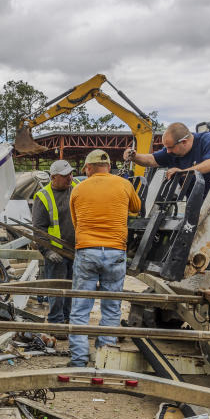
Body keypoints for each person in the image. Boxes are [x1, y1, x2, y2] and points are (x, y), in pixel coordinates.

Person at [68, 150, 141, 366]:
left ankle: (79, 360)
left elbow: (75, 223)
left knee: (80, 308)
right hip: (116, 251)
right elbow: (136, 209)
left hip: (87, 250)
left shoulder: (78, 189)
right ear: (108, 167)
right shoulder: (123, 185)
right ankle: (105, 359)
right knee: (111, 307)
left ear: (88, 168)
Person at [32, 159, 76, 328]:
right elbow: (38, 230)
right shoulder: (43, 197)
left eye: (71, 174)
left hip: (74, 250)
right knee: (57, 290)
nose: (70, 178)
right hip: (56, 252)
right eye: (65, 176)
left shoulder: (76, 189)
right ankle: (56, 322)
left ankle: (67, 318)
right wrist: (48, 252)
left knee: (71, 288)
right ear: (54, 177)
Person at [124, 122, 210, 187]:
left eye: (170, 147)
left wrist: (182, 172)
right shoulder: (171, 151)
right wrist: (134, 156)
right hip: (197, 201)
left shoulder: (208, 140)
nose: (168, 151)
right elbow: (151, 160)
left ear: (184, 142)